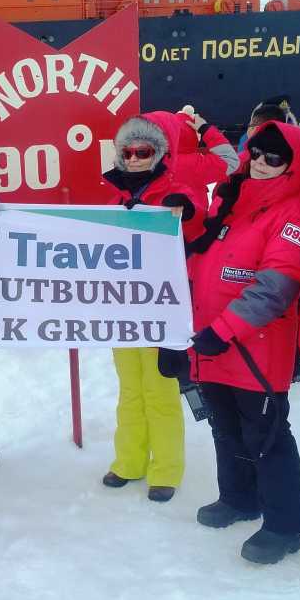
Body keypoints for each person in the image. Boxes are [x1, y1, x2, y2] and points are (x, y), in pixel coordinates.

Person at [186, 121, 300, 564]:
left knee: (266, 437)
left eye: (274, 157)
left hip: (254, 350)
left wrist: (222, 332)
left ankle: (285, 525)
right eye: (257, 153)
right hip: (212, 345)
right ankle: (239, 498)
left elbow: (275, 288)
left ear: (295, 163)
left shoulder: (294, 213)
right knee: (225, 429)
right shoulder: (231, 203)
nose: (261, 163)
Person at [100, 111, 206, 502]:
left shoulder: (178, 189)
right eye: (126, 151)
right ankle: (129, 461)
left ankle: (166, 469)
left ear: (158, 153)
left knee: (160, 390)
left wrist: (184, 208)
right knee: (130, 390)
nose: (133, 158)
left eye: (142, 150)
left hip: (163, 310)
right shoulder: (114, 196)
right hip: (124, 310)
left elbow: (197, 217)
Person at [173, 105, 240, 204]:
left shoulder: (152, 160)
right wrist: (205, 129)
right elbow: (230, 159)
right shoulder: (195, 164)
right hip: (194, 218)